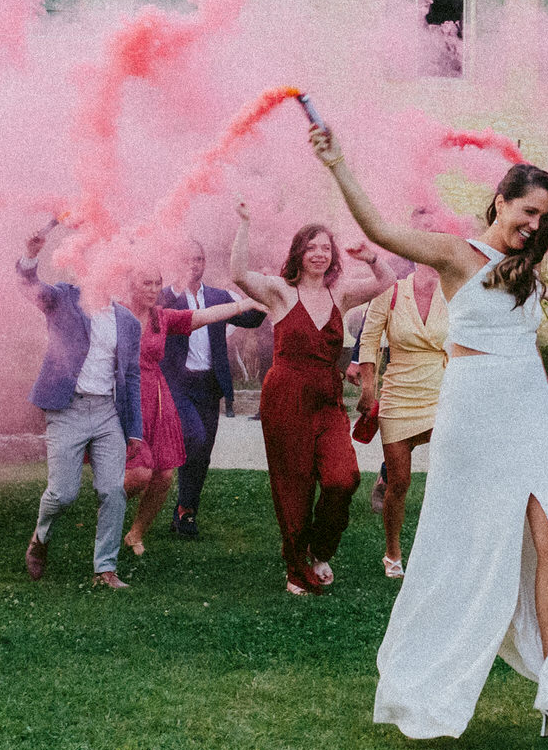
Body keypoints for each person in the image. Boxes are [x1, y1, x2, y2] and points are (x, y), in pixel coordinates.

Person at [312, 126, 548, 748]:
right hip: (474, 411)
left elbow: (530, 351)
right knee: (468, 551)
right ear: (500, 200)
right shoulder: (455, 254)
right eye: (529, 213)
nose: (534, 227)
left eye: (545, 220)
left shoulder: (528, 270)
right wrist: (338, 165)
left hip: (528, 411)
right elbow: (384, 233)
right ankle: (427, 680)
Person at [230, 206, 388, 595]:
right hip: (285, 397)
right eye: (311, 247)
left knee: (343, 478)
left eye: (326, 248)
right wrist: (246, 223)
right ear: (298, 252)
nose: (320, 254)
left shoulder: (342, 294)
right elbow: (237, 274)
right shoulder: (281, 292)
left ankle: (320, 549)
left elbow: (385, 282)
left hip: (327, 400)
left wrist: (371, 258)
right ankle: (296, 564)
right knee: (293, 485)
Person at [18, 223, 142, 590]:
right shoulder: (63, 299)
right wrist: (30, 255)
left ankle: (105, 568)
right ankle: (40, 538)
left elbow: (131, 377)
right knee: (63, 492)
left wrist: (133, 429)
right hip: (67, 408)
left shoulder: (128, 322)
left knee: (112, 491)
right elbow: (30, 287)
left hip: (107, 413)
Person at [125, 260, 260, 555]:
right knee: (137, 475)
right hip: (125, 398)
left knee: (162, 475)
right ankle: (107, 511)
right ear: (130, 284)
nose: (152, 289)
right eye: (145, 283)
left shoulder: (163, 317)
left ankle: (136, 533)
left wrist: (244, 304)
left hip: (155, 397)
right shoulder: (117, 315)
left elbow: (205, 315)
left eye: (156, 283)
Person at [354, 212, 451, 578]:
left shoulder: (454, 290)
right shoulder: (392, 290)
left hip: (442, 393)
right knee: (400, 482)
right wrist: (368, 386)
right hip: (398, 396)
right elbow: (369, 339)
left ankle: (444, 550)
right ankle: (392, 551)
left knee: (449, 478)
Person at [160, 238, 265, 539]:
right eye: (187, 260)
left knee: (203, 452)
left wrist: (259, 294)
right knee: (193, 436)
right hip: (177, 382)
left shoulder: (220, 296)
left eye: (199, 259)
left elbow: (251, 318)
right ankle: (182, 507)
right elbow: (151, 319)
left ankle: (185, 511)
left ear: (205, 262)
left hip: (209, 384)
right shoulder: (165, 297)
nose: (193, 266)